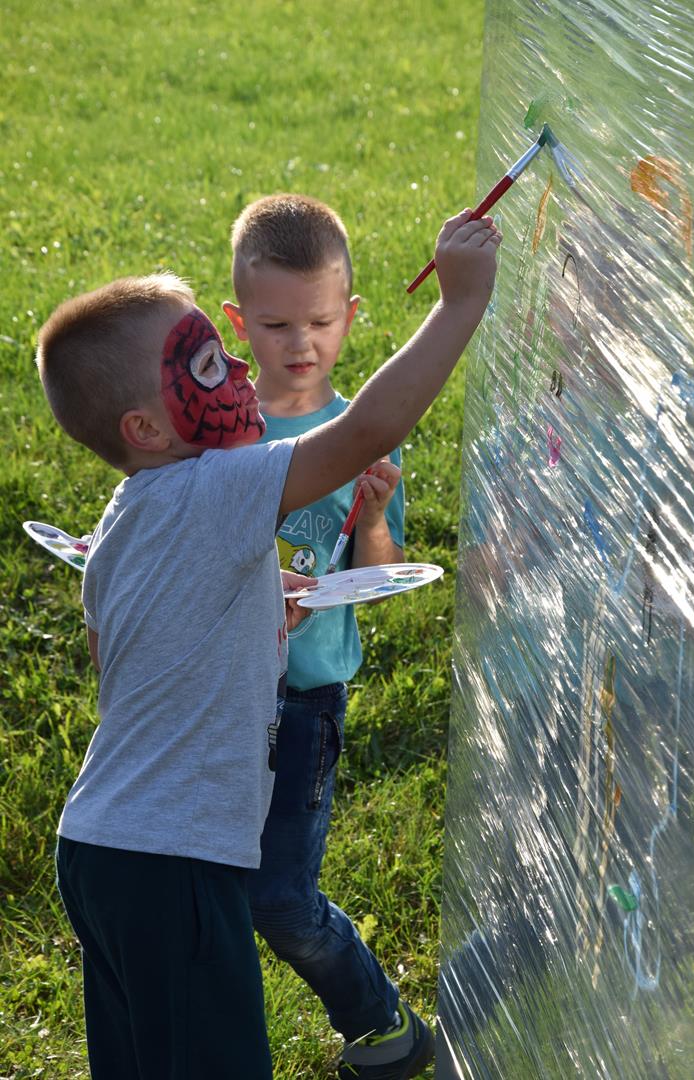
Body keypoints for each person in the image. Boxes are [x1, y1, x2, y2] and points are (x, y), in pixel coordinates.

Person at [36, 205, 501, 1080]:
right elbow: (366, 431)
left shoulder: (126, 515)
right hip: (174, 864)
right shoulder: (218, 482)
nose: (241, 367)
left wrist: (250, 604)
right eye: (211, 362)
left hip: (98, 849)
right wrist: (461, 305)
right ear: (147, 426)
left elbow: (117, 656)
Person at [221, 194, 412, 1079]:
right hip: (219, 688)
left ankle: (382, 1024)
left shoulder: (362, 438)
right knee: (207, 879)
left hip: (305, 697)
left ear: (351, 316)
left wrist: (372, 513)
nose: (301, 344)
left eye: (322, 322)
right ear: (237, 324)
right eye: (276, 324)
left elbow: (382, 568)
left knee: (282, 898)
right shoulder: (220, 435)